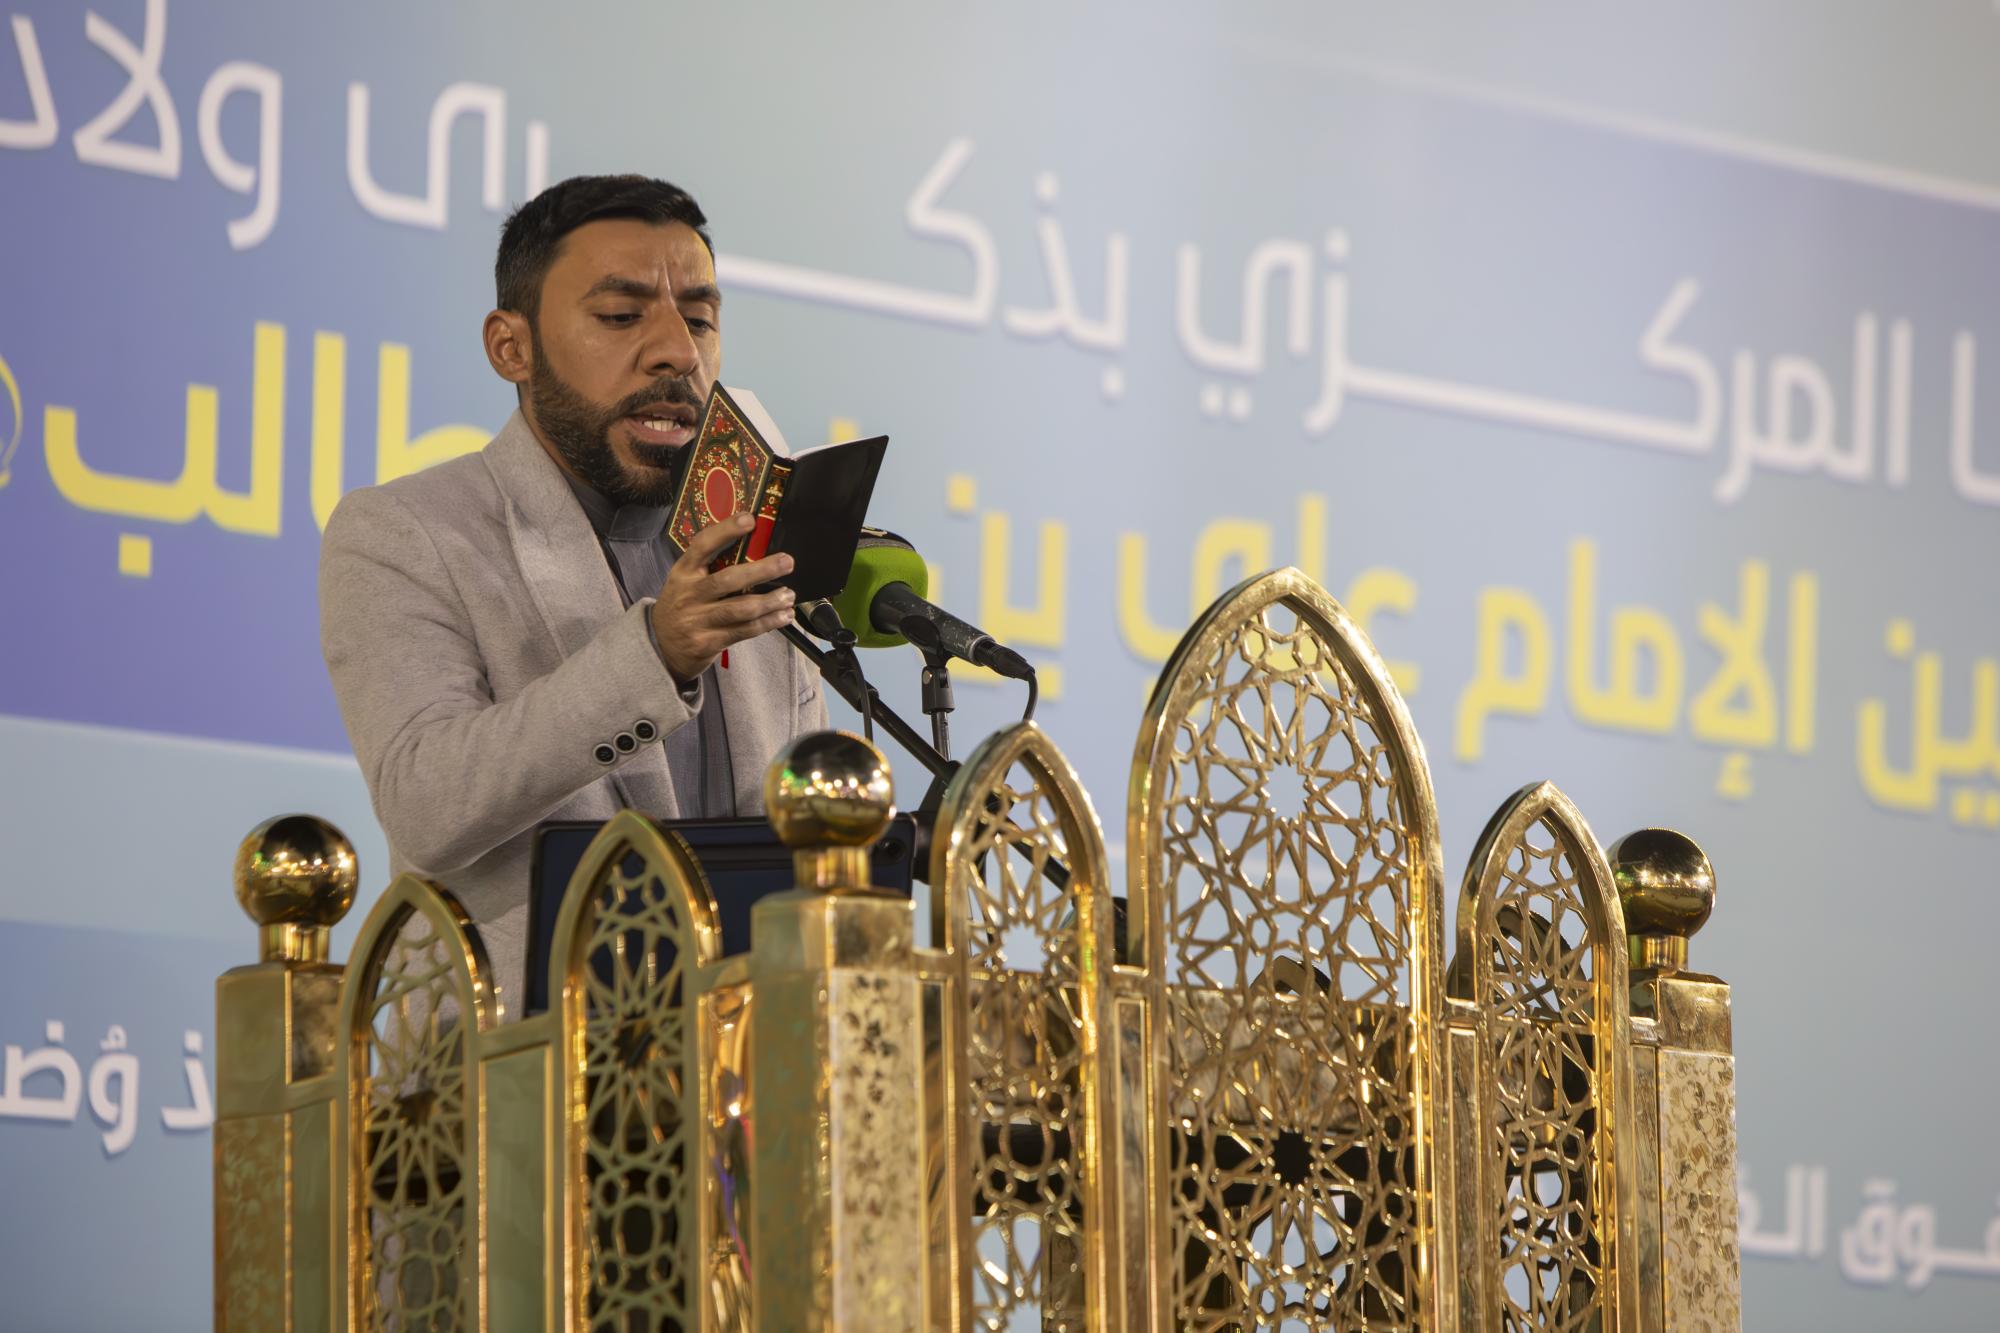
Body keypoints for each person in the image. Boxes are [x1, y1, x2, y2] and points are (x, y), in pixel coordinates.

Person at [319, 176, 824, 1013]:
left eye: (699, 319)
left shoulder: (747, 532)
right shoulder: (407, 532)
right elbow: (425, 803)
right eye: (622, 316)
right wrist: (656, 655)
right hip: (515, 1066)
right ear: (511, 347)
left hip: (748, 1061)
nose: (677, 352)